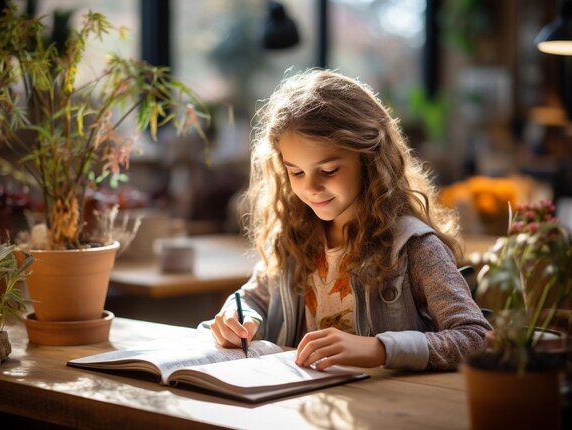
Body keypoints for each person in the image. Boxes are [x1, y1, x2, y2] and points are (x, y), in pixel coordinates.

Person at [205, 69, 491, 371]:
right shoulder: (294, 238)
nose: (311, 187)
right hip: (299, 409)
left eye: (328, 171)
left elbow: (477, 337)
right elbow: (252, 299)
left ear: (370, 160)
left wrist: (381, 349)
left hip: (386, 410)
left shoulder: (414, 247)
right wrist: (240, 318)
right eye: (296, 172)